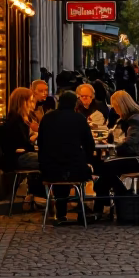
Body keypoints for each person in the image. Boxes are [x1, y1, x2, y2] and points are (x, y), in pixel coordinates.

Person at [37, 89, 95, 226]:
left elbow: (40, 143)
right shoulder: (79, 118)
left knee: (60, 166)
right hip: (76, 169)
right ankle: (82, 210)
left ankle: (61, 213)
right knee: (82, 171)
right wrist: (86, 160)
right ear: (75, 104)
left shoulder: (47, 118)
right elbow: (89, 144)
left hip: (49, 170)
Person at [92, 90, 139, 219]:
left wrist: (115, 148)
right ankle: (105, 204)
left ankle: (118, 197)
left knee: (105, 167)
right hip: (135, 155)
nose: (115, 110)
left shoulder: (136, 120)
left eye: (115, 107)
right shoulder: (132, 118)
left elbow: (129, 145)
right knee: (106, 170)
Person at [0, 88, 39, 172]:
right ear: (23, 102)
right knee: (51, 161)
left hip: (18, 156)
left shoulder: (19, 119)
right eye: (31, 101)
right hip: (16, 158)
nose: (33, 105)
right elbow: (21, 144)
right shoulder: (15, 120)